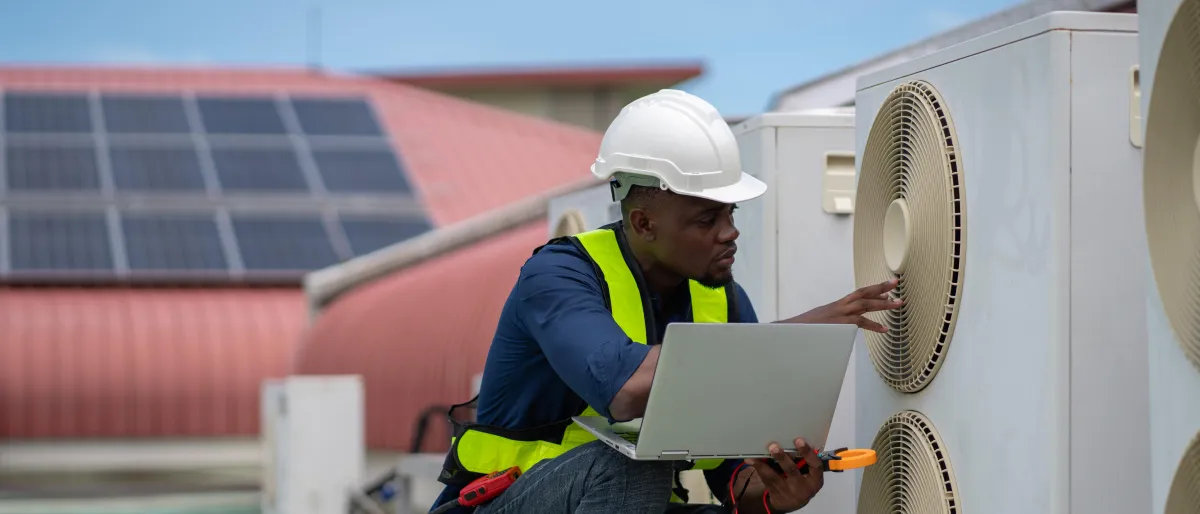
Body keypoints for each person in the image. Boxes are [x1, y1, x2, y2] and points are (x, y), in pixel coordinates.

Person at [430, 89, 902, 514]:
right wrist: (794, 331)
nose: (730, 232)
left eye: (730, 214)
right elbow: (626, 390)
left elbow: (734, 472)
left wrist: (773, 493)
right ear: (643, 223)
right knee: (627, 466)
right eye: (706, 219)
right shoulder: (557, 277)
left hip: (624, 503)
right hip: (496, 504)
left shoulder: (722, 301)